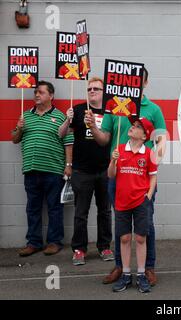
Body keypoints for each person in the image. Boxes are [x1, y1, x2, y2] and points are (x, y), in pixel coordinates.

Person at [85, 67, 166, 286]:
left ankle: (147, 268)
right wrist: (93, 126)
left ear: (146, 84)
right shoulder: (115, 108)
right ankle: (121, 268)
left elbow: (161, 139)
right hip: (118, 176)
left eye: (140, 81)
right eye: (131, 81)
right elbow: (104, 139)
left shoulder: (154, 110)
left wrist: (153, 157)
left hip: (141, 177)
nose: (135, 84)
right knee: (121, 227)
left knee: (145, 224)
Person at [12, 80, 73, 256]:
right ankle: (34, 242)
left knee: (54, 208)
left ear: (51, 96)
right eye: (35, 92)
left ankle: (55, 242)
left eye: (41, 92)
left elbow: (68, 142)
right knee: (33, 208)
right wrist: (19, 128)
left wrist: (68, 166)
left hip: (54, 170)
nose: (37, 95)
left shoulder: (61, 117)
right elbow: (15, 139)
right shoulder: (26, 116)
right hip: (31, 170)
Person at [59, 77, 114, 265]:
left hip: (105, 170)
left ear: (103, 92)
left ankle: (104, 246)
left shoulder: (110, 112)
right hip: (82, 170)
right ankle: (79, 249)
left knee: (104, 211)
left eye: (96, 89)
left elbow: (109, 139)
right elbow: (61, 134)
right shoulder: (79, 109)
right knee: (80, 212)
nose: (92, 91)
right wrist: (68, 119)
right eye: (89, 88)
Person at [108, 117, 157, 293]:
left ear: (144, 136)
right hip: (122, 201)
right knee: (124, 238)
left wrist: (148, 196)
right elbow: (111, 175)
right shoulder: (119, 149)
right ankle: (126, 275)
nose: (132, 127)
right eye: (133, 125)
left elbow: (153, 176)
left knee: (141, 238)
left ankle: (142, 274)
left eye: (137, 127)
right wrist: (113, 161)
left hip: (141, 202)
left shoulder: (149, 153)